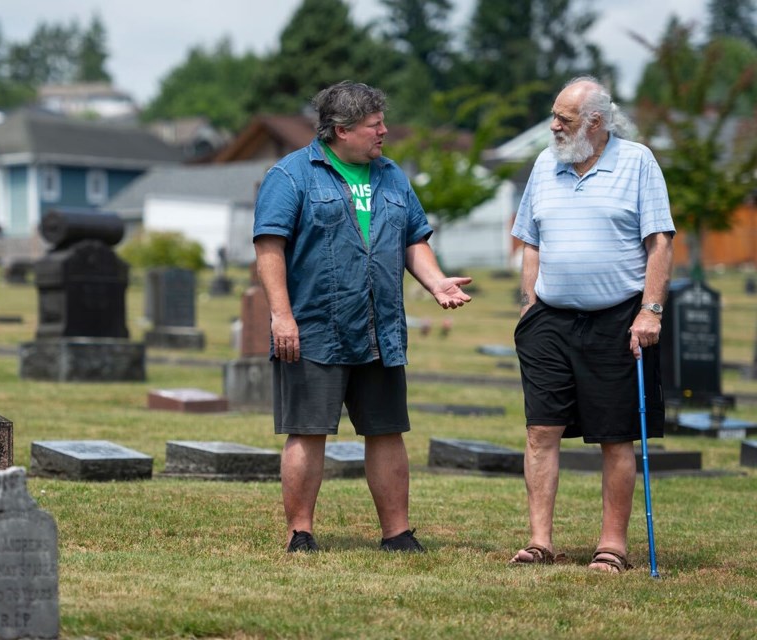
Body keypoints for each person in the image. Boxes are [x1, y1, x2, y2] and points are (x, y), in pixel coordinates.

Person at [252, 81, 472, 553]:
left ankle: (397, 533)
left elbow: (415, 239)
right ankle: (300, 533)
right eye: (375, 125)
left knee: (387, 430)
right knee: (308, 430)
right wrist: (281, 316)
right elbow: (269, 248)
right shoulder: (291, 176)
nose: (384, 132)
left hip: (381, 329)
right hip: (314, 326)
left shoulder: (392, 176)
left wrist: (435, 282)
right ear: (341, 130)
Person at [510, 76, 675, 572]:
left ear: (597, 122)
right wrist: (528, 305)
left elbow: (660, 242)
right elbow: (530, 240)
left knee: (615, 434)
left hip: (618, 320)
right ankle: (540, 541)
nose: (554, 125)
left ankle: (613, 546)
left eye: (565, 118)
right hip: (550, 322)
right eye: (554, 115)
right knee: (541, 430)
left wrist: (651, 310)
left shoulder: (638, 161)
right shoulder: (545, 164)